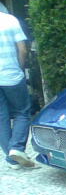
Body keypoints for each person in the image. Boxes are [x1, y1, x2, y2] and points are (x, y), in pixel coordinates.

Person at [0, 9, 37, 169]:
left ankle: (12, 158)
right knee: (22, 112)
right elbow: (22, 49)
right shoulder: (10, 20)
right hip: (11, 75)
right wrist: (20, 68)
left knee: (1, 116)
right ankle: (16, 148)